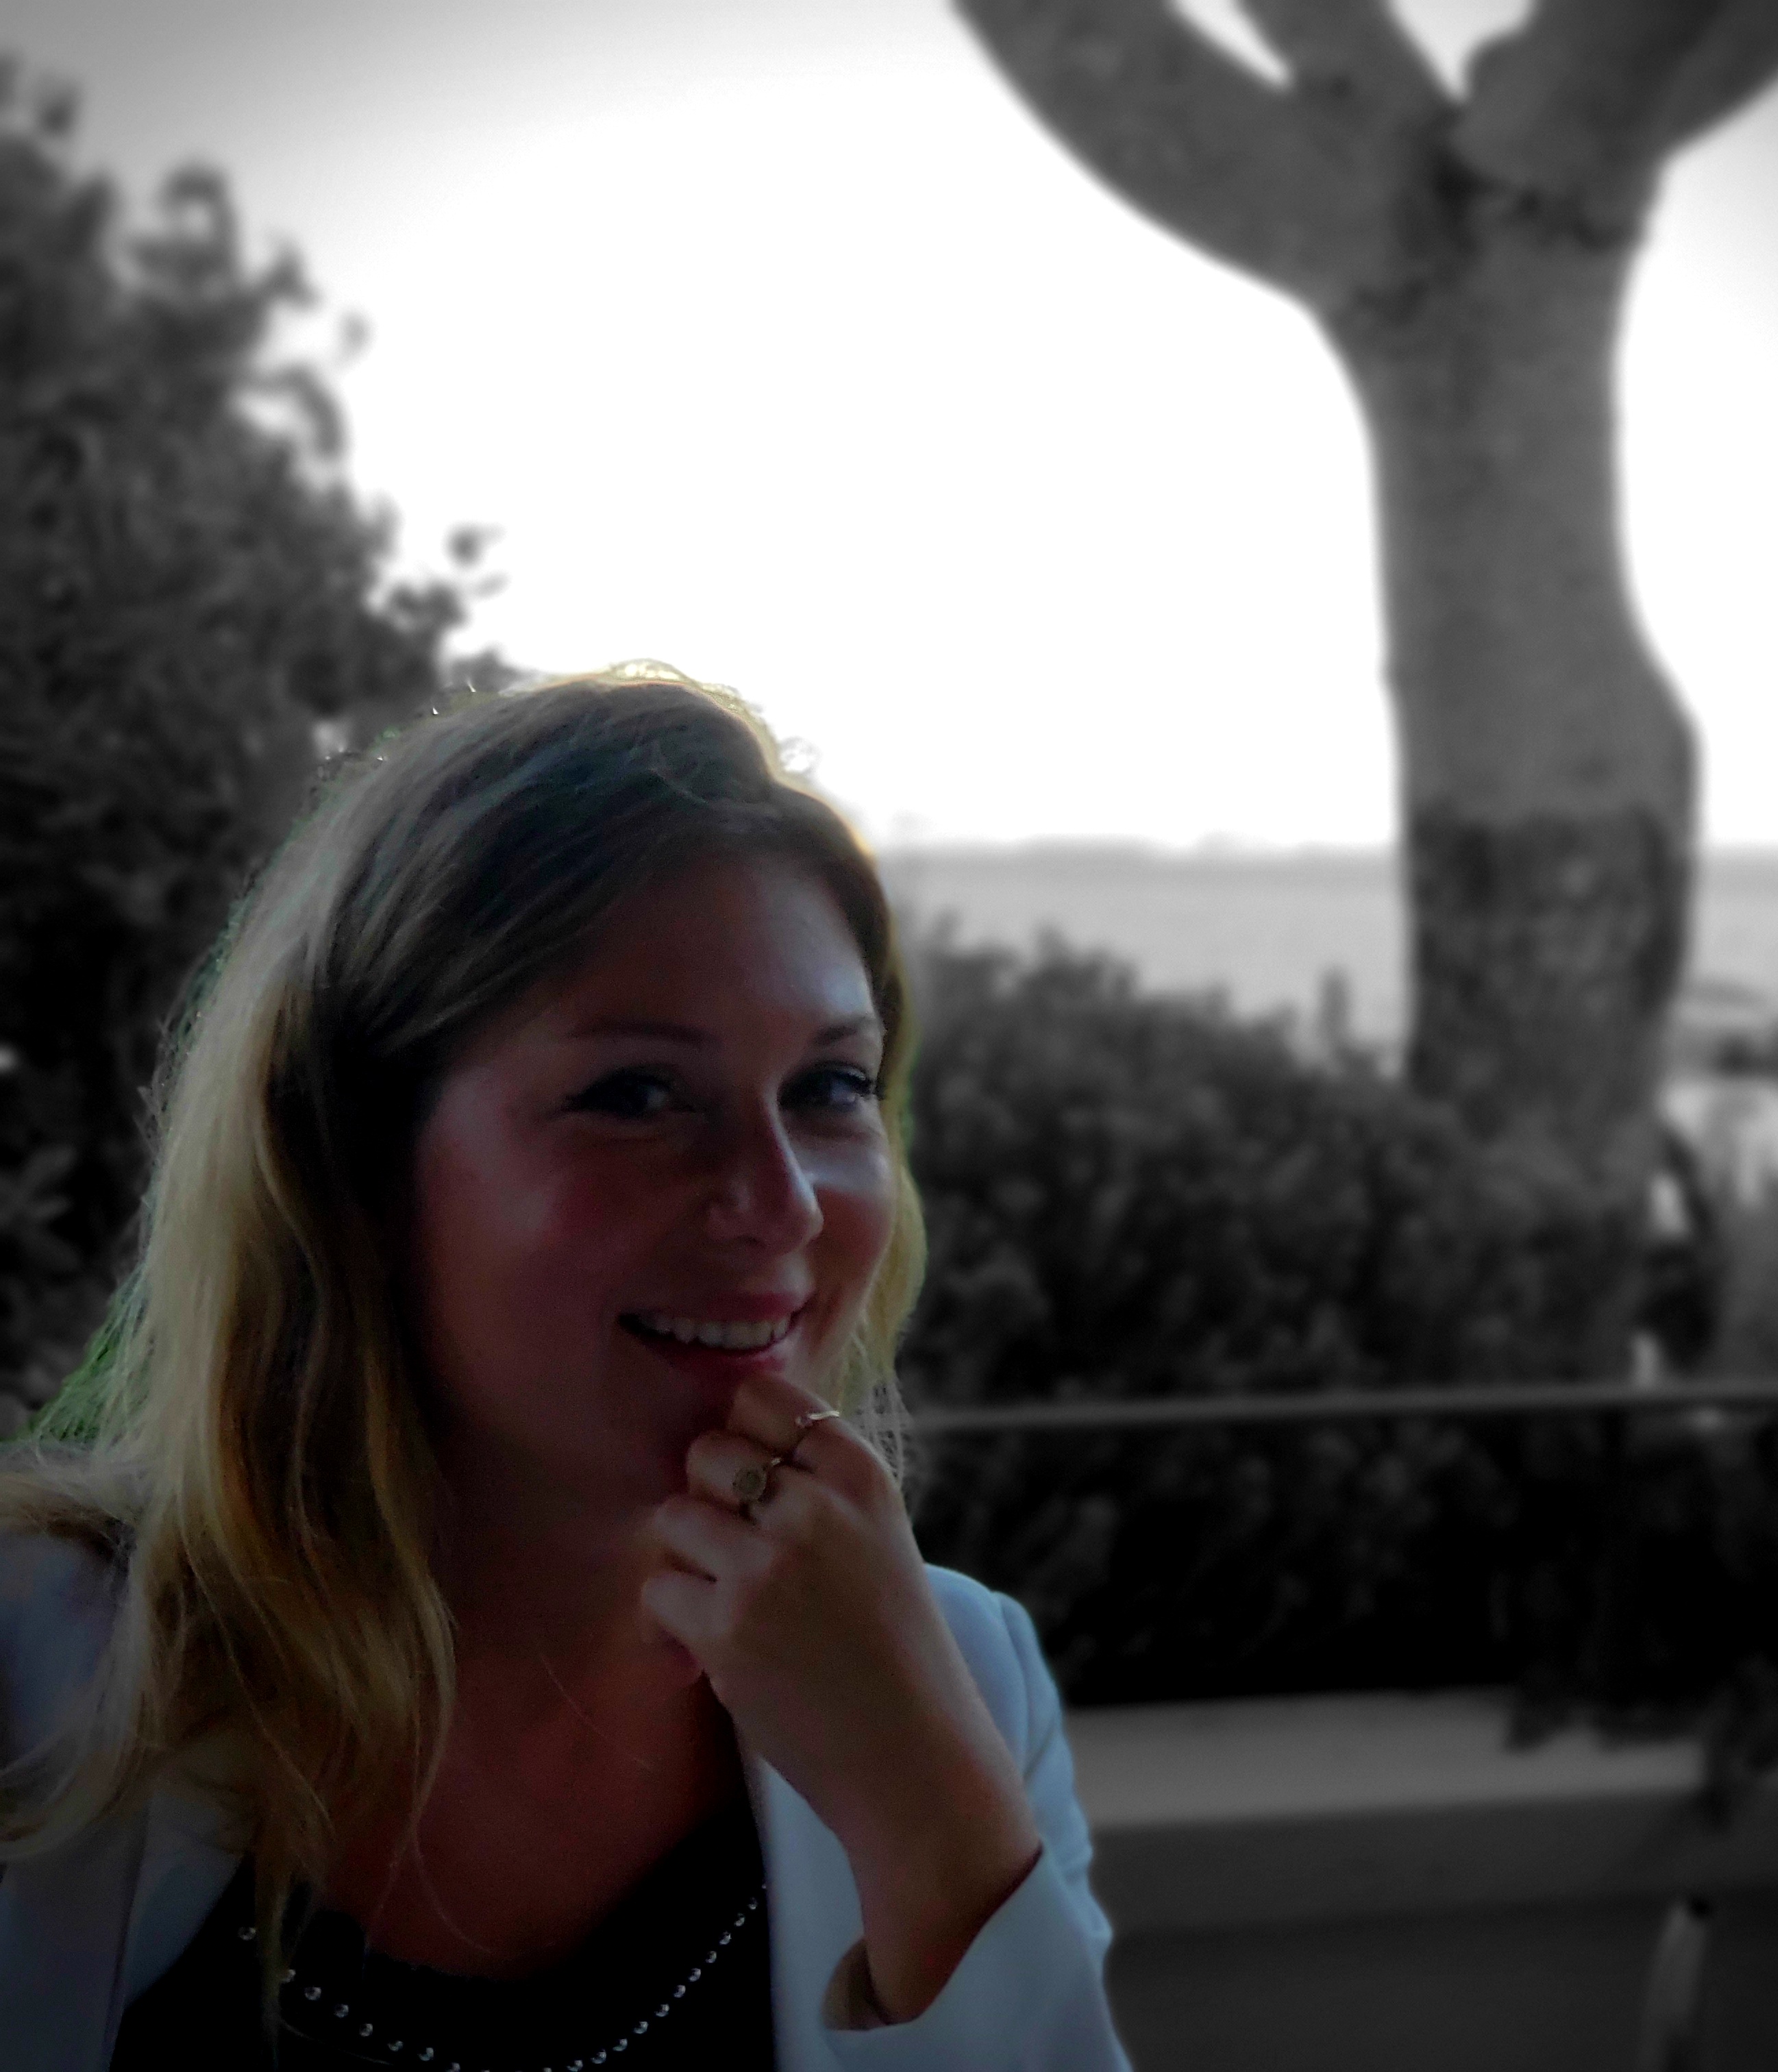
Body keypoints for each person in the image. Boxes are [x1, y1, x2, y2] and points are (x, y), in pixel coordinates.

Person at [0, 666, 1131, 2071]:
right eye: (638, 1095)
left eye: (830, 1087)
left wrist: (938, 1831)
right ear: (352, 1166)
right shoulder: (33, 1679)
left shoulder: (957, 1686)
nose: (781, 1205)